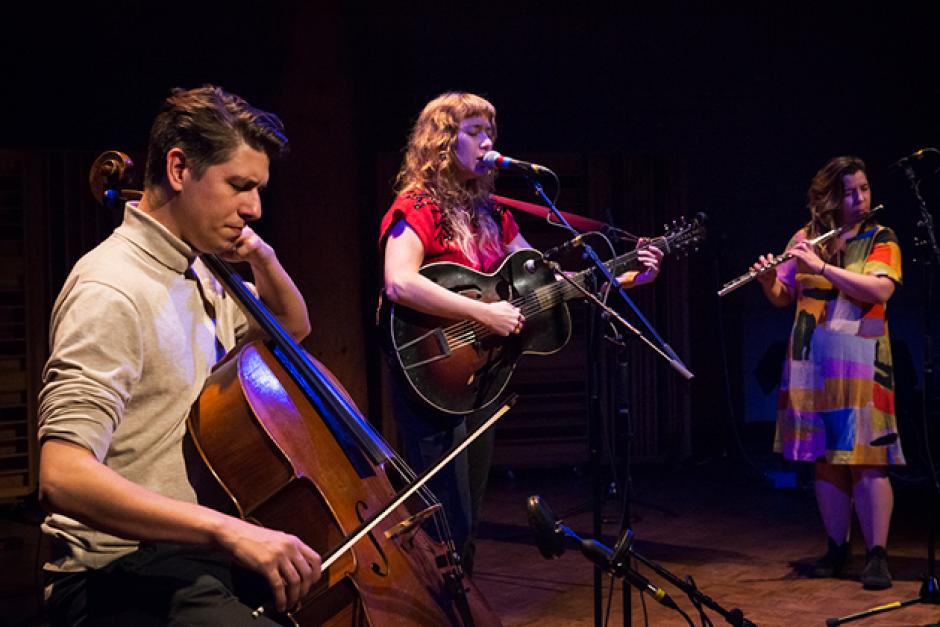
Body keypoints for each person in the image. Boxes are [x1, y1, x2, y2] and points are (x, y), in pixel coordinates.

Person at [37, 85, 322, 625]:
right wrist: (228, 529)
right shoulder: (111, 289)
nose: (254, 208)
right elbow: (62, 474)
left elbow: (291, 327)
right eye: (240, 186)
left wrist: (262, 254)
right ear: (178, 168)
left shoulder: (203, 269)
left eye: (258, 189)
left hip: (190, 554)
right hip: (115, 571)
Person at [379, 91, 663, 574]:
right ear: (444, 141)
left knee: (465, 518)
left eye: (490, 131)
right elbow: (399, 282)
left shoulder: (492, 212)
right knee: (445, 517)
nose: (487, 141)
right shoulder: (417, 205)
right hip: (429, 366)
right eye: (474, 131)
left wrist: (629, 275)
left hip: (478, 376)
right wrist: (488, 316)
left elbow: (546, 283)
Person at [752, 155, 904, 589]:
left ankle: (877, 553)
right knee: (825, 459)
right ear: (832, 198)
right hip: (811, 362)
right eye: (850, 191)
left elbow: (879, 289)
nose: (859, 198)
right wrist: (767, 282)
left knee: (867, 460)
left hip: (861, 359)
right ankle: (837, 547)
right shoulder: (805, 238)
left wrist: (821, 268)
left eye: (864, 188)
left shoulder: (881, 237)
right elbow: (785, 294)